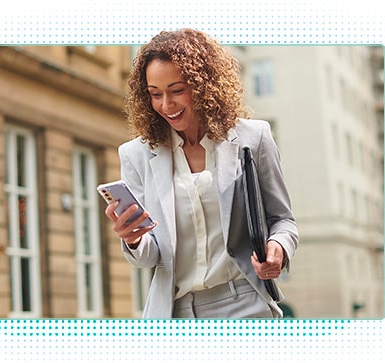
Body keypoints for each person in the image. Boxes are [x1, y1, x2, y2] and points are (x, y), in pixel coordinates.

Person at [104, 28, 298, 319]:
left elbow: (283, 220)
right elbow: (149, 256)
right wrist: (133, 239)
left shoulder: (253, 138)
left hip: (245, 303)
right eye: (155, 94)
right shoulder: (136, 155)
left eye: (177, 90)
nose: (166, 106)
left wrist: (277, 248)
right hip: (174, 311)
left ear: (204, 85)